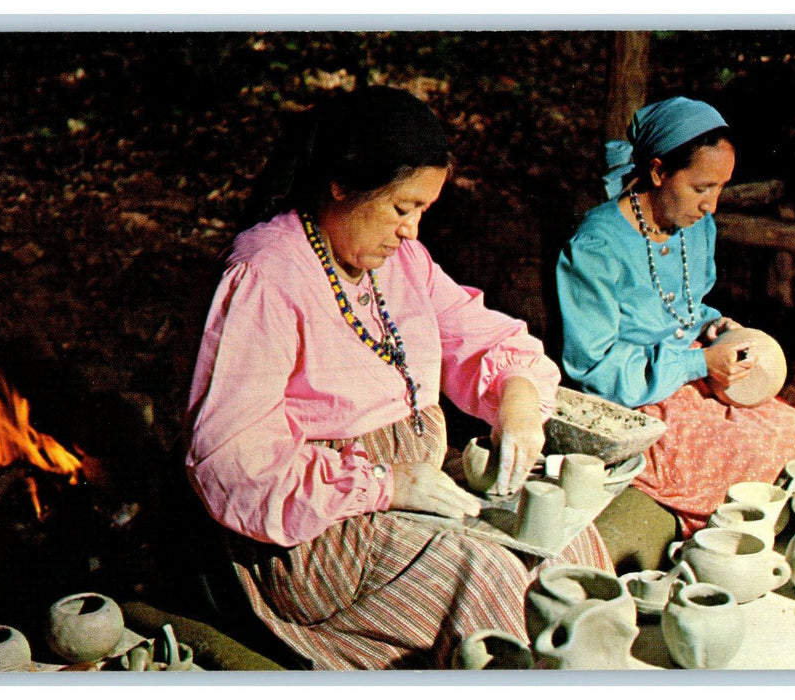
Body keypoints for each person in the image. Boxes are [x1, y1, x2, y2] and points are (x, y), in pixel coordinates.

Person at [185, 86, 611, 670]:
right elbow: (234, 459)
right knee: (485, 577)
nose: (411, 231)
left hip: (414, 487)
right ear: (341, 184)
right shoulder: (267, 275)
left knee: (563, 542)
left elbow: (485, 338)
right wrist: (384, 483)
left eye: (422, 212)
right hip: (320, 532)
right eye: (400, 207)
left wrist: (515, 399)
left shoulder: (401, 262)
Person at [556, 96, 795, 553]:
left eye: (721, 188)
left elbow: (685, 307)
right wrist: (696, 363)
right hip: (633, 399)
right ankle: (718, 562)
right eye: (701, 188)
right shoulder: (596, 245)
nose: (711, 205)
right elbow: (593, 369)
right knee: (739, 456)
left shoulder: (694, 226)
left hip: (694, 377)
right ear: (657, 172)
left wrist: (711, 327)